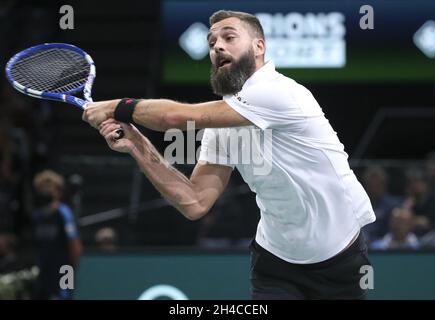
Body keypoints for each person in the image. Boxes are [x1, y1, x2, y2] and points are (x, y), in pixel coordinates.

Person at [82, 10, 376, 299]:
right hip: (275, 263)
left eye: (229, 37)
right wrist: (137, 144)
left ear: (259, 46)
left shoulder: (280, 92)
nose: (217, 46)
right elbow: (195, 201)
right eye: (211, 43)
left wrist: (116, 106)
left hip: (340, 259)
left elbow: (175, 118)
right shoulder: (224, 124)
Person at [31, 169, 82, 299]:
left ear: (58, 192)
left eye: (50, 188)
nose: (46, 191)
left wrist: (70, 271)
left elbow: (75, 247)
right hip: (44, 271)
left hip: (65, 270)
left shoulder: (64, 213)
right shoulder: (37, 216)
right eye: (43, 188)